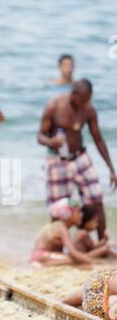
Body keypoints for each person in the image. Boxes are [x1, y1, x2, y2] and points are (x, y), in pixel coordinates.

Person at [38, 79, 117, 240]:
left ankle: (102, 244)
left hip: (80, 157)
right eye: (83, 100)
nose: (85, 104)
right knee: (58, 208)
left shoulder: (88, 109)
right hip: (57, 159)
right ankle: (57, 246)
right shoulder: (54, 106)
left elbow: (98, 139)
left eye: (88, 100)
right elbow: (40, 136)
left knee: (96, 199)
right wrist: (51, 141)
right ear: (73, 94)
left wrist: (111, 168)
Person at [31, 198, 94, 266]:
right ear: (67, 214)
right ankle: (42, 263)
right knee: (72, 259)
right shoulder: (61, 227)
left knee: (73, 258)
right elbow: (73, 252)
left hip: (40, 255)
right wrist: (90, 261)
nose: (81, 215)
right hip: (41, 256)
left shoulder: (58, 225)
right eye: (78, 211)